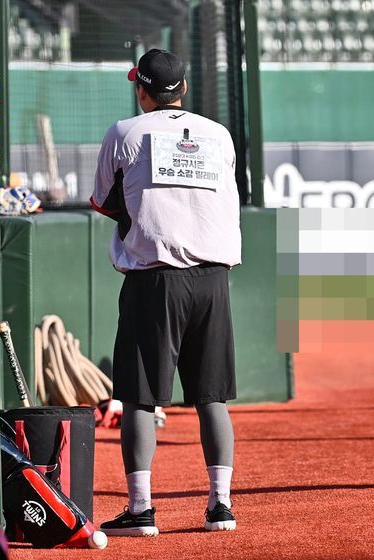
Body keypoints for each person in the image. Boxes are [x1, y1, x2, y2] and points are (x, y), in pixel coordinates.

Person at [90, 48, 242, 535]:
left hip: (154, 278)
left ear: (142, 90)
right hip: (213, 278)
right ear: (184, 89)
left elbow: (101, 201)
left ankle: (141, 510)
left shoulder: (125, 132)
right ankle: (221, 506)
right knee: (211, 397)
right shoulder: (218, 134)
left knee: (138, 398)